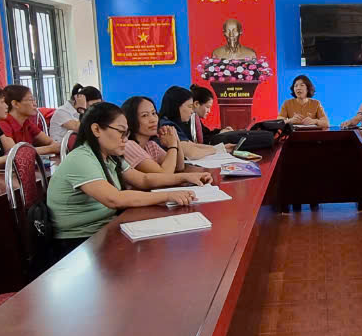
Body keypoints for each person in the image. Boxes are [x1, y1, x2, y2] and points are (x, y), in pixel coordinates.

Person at [45, 102, 204, 258]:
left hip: (104, 229)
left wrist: (184, 177)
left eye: (127, 133)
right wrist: (168, 196)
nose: (125, 140)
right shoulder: (81, 158)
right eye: (121, 132)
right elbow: (114, 199)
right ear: (96, 129)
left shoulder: (109, 156)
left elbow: (143, 179)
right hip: (78, 244)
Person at [159, 85, 230, 159]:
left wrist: (222, 148)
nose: (192, 111)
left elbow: (192, 145)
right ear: (176, 106)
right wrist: (218, 150)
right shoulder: (166, 126)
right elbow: (191, 153)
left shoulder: (174, 124)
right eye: (189, 106)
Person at [123, 95, 184, 174]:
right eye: (144, 115)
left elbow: (179, 167)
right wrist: (172, 145)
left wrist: (175, 138)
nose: (153, 120)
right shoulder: (129, 146)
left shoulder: (150, 145)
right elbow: (165, 174)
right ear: (131, 120)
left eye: (154, 113)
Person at [0, 85, 59, 155]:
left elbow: (50, 142)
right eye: (31, 100)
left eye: (34, 100)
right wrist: (50, 149)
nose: (35, 104)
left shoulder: (26, 122)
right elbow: (14, 153)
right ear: (15, 104)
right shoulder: (3, 123)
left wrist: (53, 147)